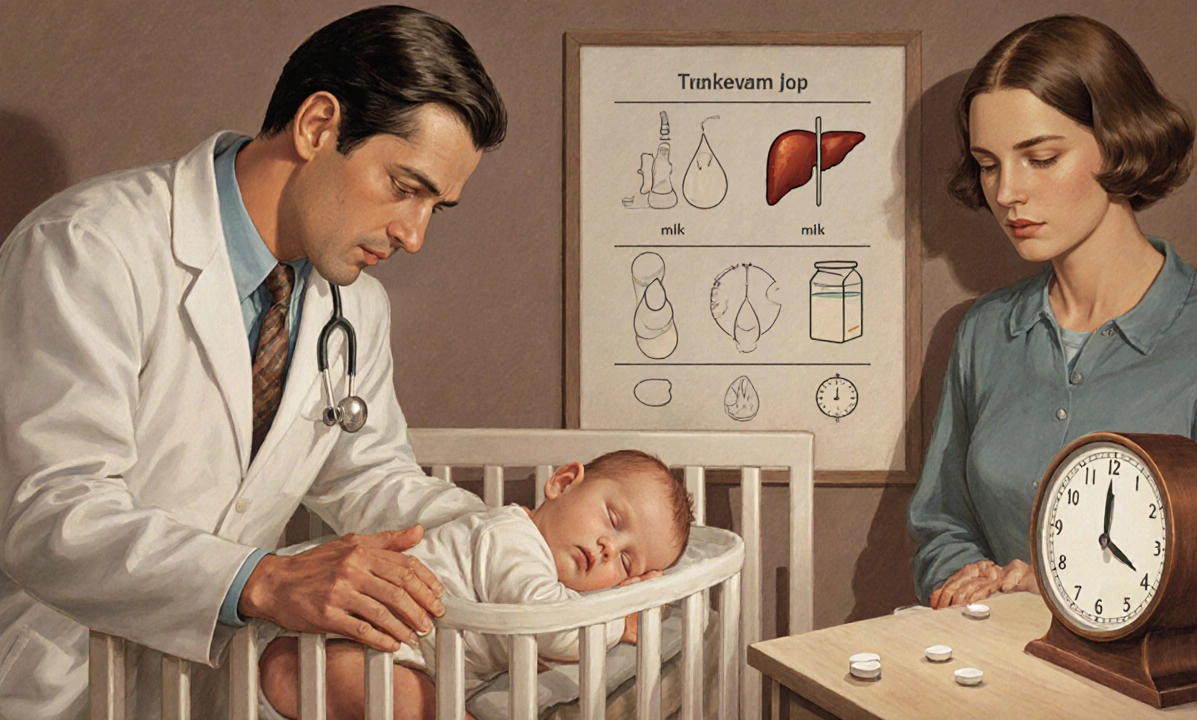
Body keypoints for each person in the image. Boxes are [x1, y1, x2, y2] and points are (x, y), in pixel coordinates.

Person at [0, 6, 508, 718]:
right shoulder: (88, 246)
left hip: (212, 688)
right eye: (405, 188)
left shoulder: (354, 306)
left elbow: (371, 479)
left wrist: (523, 546)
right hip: (57, 680)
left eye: (436, 207)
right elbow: (50, 512)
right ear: (318, 126)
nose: (414, 235)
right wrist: (263, 580)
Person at [907, 14, 1197, 637]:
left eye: (1040, 158)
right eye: (989, 164)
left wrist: (1060, 604)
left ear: (1121, 142)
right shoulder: (984, 332)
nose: (1007, 193)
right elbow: (940, 525)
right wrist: (971, 581)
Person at [258, 450, 694, 720]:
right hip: (341, 647)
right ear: (563, 483)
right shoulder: (513, 540)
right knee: (414, 705)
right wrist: (620, 618)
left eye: (626, 562)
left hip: (390, 657)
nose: (607, 548)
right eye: (612, 519)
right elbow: (551, 625)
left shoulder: (538, 573)